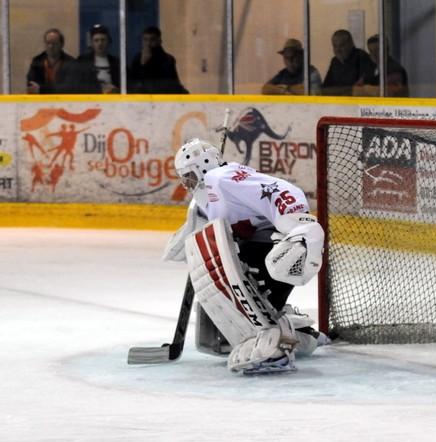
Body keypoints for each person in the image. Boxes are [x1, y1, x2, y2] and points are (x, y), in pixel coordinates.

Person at [163, 138, 328, 374]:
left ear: (203, 165)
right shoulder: (209, 192)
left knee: (231, 267)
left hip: (283, 252)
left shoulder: (219, 178)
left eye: (189, 175)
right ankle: (296, 334)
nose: (187, 183)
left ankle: (273, 342)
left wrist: (295, 223)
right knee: (243, 280)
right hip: (264, 252)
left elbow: (283, 190)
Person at [127, 26, 188, 94]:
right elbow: (133, 82)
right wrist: (142, 64)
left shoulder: (167, 60)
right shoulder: (137, 59)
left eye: (152, 40)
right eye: (145, 40)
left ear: (159, 41)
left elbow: (168, 84)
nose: (148, 43)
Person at [321, 29, 374, 96]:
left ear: (351, 44)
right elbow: (326, 87)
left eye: (341, 45)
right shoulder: (335, 61)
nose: (338, 50)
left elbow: (361, 88)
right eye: (335, 46)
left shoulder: (362, 58)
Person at [73, 24, 121, 94]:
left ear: (108, 42)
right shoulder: (83, 60)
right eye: (96, 40)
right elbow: (77, 84)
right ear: (92, 43)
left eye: (103, 40)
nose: (100, 43)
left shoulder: (116, 62)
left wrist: (115, 90)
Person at [26, 28, 74, 94]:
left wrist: (41, 89)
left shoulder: (71, 62)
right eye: (48, 43)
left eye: (54, 43)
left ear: (62, 44)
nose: (50, 46)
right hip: (40, 101)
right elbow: (31, 86)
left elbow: (68, 88)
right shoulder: (37, 61)